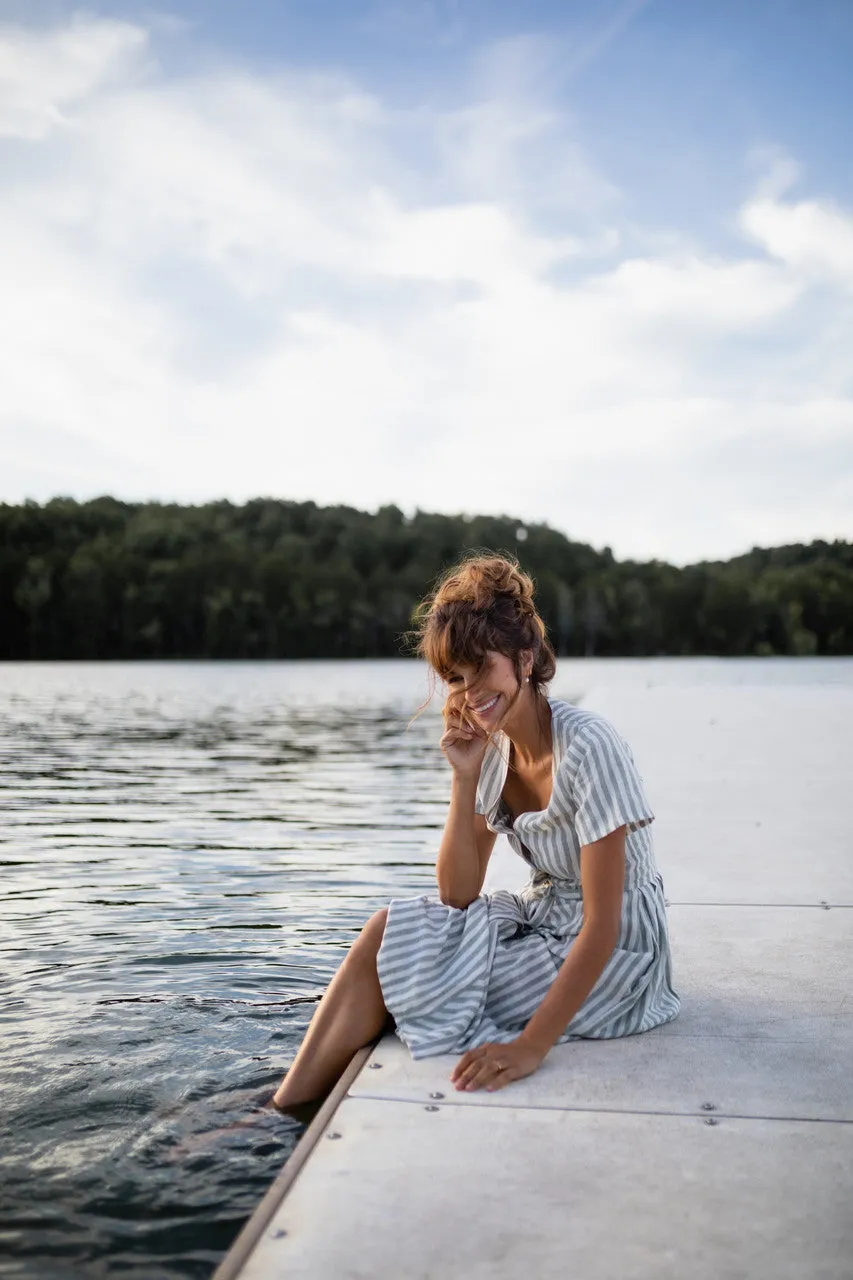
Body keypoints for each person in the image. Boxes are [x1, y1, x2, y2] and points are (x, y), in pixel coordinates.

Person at [272, 554, 679, 1109]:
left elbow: (605, 926)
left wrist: (532, 1045)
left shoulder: (589, 747)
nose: (467, 694)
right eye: (455, 679)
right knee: (389, 932)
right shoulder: (493, 749)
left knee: (403, 966)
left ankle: (279, 1110)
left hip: (619, 956)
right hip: (549, 923)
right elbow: (457, 894)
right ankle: (284, 1102)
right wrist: (463, 778)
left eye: (480, 669)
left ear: (525, 658)